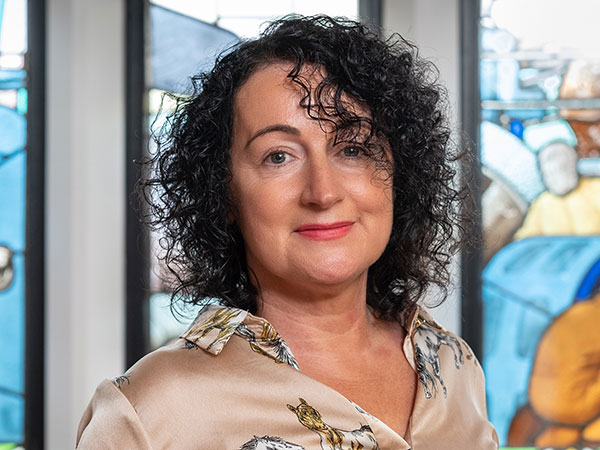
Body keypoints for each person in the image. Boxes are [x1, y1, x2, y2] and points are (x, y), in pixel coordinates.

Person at [76, 15, 498, 449]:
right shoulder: (147, 412)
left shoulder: (453, 363)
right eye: (279, 157)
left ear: (399, 174)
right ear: (223, 194)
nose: (323, 191)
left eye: (352, 148)